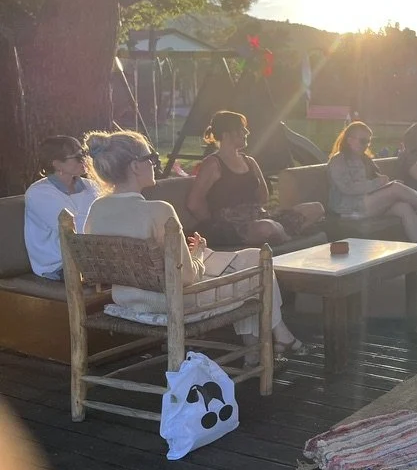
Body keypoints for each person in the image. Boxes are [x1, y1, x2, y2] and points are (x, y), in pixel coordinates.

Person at [82, 129, 308, 356]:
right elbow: (187, 278)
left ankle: (263, 346)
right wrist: (197, 256)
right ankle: (272, 340)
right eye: (150, 158)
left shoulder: (96, 210)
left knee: (253, 257)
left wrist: (194, 255)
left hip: (125, 298)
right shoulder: (158, 210)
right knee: (258, 270)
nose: (155, 163)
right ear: (134, 166)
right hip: (171, 302)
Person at [187, 111, 325, 247]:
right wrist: (216, 224)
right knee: (266, 228)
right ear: (227, 133)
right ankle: (287, 233)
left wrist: (255, 213)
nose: (247, 132)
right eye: (241, 129)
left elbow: (263, 196)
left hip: (259, 218)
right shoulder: (213, 163)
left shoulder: (249, 161)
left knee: (316, 208)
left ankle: (281, 232)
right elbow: (194, 203)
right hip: (233, 227)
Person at [327, 121, 417, 245]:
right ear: (349, 140)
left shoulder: (365, 159)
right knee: (396, 188)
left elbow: (373, 182)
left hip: (366, 203)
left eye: (368, 142)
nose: (366, 145)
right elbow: (347, 188)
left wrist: (385, 183)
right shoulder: (339, 161)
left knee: (404, 208)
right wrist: (378, 184)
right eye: (362, 141)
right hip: (347, 207)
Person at [24, 135, 101, 281]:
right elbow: (75, 231)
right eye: (78, 156)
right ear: (57, 164)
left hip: (93, 256)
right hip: (59, 265)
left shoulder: (91, 186)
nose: (84, 159)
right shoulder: (39, 193)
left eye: (84, 153)